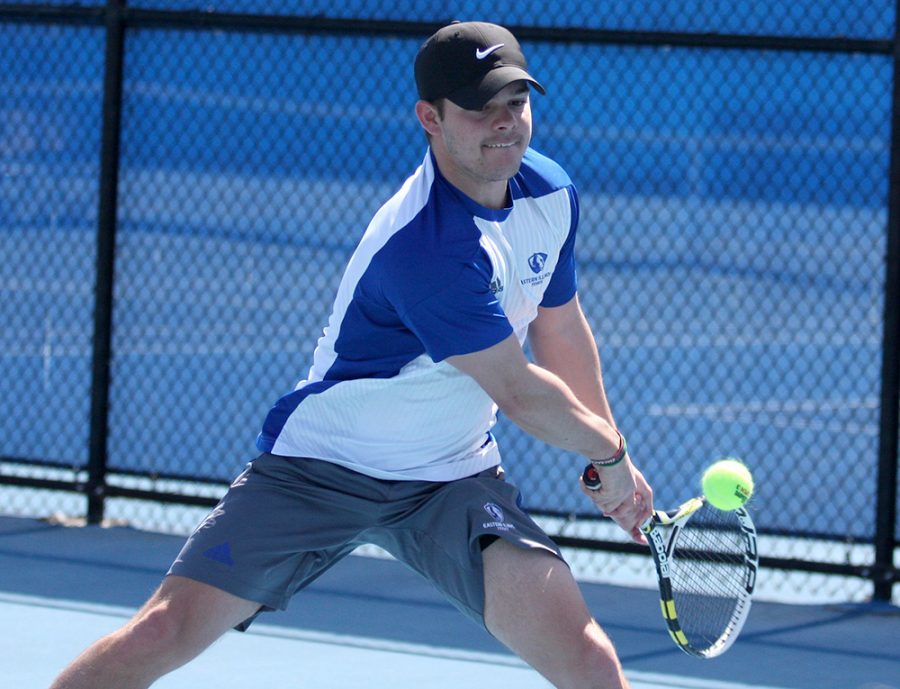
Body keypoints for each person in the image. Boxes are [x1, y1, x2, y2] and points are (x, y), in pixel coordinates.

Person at [49, 20, 653, 689]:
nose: (504, 122)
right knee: (163, 631)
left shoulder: (551, 193)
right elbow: (518, 390)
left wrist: (611, 460)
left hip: (450, 479)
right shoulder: (426, 247)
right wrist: (610, 455)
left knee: (590, 662)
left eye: (516, 102)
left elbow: (560, 327)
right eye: (481, 108)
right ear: (430, 117)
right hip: (320, 467)